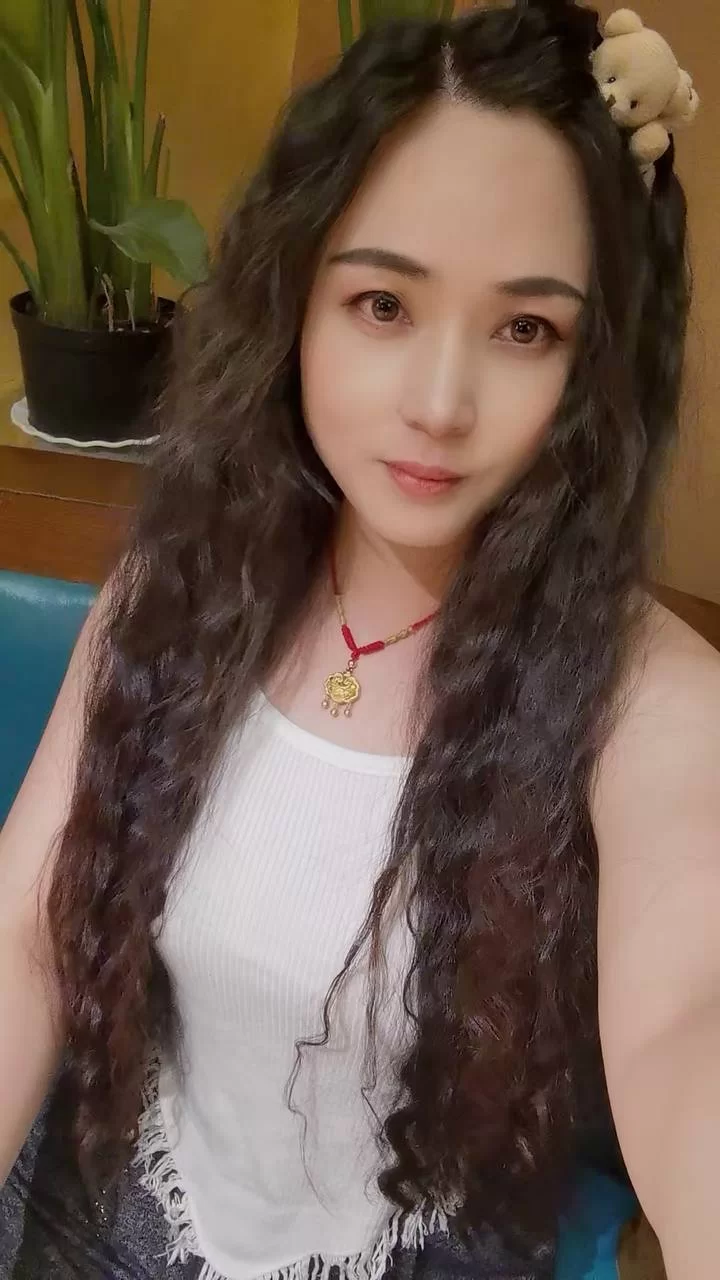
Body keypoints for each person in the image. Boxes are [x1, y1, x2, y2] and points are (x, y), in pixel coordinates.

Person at [1, 2, 718, 1278]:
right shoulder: (178, 589)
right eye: (384, 303)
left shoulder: (653, 704)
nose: (440, 404)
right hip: (100, 1203)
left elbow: (687, 1034)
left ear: (593, 365)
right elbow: (26, 935)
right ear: (294, 300)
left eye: (526, 328)